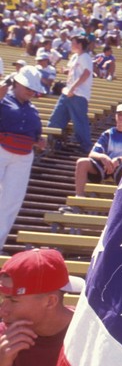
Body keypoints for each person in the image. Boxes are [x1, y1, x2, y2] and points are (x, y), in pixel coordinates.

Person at [0, 249, 85, 366]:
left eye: (13, 300)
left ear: (50, 301)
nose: (3, 310)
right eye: (3, 298)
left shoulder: (90, 336)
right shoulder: (3, 337)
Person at [60, 104, 122, 210]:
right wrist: (103, 157)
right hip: (105, 167)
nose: (121, 117)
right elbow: (92, 153)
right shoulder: (108, 133)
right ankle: (79, 198)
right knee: (82, 162)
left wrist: (119, 160)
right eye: (119, 114)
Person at [0, 66, 45, 246]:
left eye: (32, 89)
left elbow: (36, 135)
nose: (31, 91)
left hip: (23, 155)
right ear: (16, 83)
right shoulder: (3, 100)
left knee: (11, 202)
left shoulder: (33, 110)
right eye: (27, 87)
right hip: (2, 148)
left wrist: (39, 140)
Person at [46, 36, 92, 154]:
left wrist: (73, 87)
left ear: (80, 45)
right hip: (68, 92)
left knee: (79, 122)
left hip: (78, 94)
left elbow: (86, 73)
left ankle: (86, 147)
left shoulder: (85, 57)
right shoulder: (75, 57)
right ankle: (55, 143)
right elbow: (75, 71)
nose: (71, 45)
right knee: (56, 118)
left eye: (73, 43)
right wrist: (65, 70)